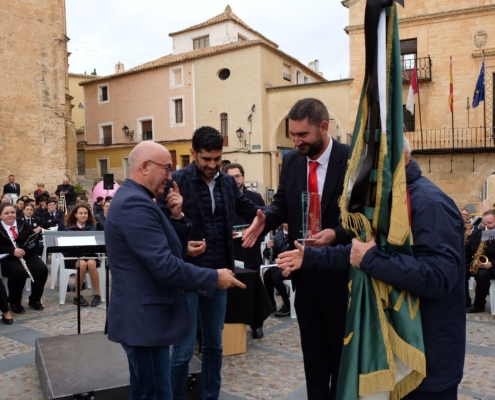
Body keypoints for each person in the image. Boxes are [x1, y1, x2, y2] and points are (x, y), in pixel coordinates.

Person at [277, 140, 466, 399]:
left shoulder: (429, 203)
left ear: (392, 163)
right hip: (397, 352)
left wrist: (371, 260)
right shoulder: (390, 201)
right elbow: (359, 252)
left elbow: (439, 276)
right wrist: (309, 257)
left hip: (428, 359)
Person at [105, 141, 245, 400]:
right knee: (156, 394)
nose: (170, 177)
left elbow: (155, 251)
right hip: (145, 322)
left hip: (145, 321)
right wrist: (214, 277)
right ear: (145, 166)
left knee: (145, 393)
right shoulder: (135, 203)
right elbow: (165, 267)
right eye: (167, 169)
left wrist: (178, 221)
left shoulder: (138, 199)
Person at [242, 98, 352, 400]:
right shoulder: (291, 160)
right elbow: (282, 205)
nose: (296, 141)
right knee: (313, 356)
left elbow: (366, 219)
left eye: (302, 135)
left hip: (341, 275)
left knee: (342, 357)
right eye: (292, 135)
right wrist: (264, 219)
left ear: (324, 127)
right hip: (304, 274)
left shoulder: (352, 159)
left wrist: (335, 233)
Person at [158, 126, 260, 400]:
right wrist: (181, 245)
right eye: (206, 159)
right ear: (193, 153)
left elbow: (251, 210)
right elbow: (157, 226)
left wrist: (271, 214)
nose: (212, 165)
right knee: (182, 350)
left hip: (221, 276)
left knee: (215, 345)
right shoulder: (175, 181)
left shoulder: (227, 182)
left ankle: (211, 396)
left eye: (217, 159)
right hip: (187, 276)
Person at [225, 162, 267, 337]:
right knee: (232, 290)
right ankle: (232, 330)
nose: (235, 180)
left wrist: (252, 234)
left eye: (238, 176)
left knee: (254, 288)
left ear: (243, 177)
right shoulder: (222, 197)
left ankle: (257, 325)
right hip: (230, 251)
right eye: (231, 177)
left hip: (250, 250)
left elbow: (265, 222)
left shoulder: (256, 198)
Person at [0, 203, 48, 313]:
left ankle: (34, 299)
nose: (10, 215)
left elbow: (33, 240)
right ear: (0, 215)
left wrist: (24, 249)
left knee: (42, 269)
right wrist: (12, 251)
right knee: (19, 272)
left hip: (26, 254)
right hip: (8, 257)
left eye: (12, 212)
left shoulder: (23, 224)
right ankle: (15, 302)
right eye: (6, 213)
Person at [62, 204, 102, 306]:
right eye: (80, 213)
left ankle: (98, 295)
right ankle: (77, 296)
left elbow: (98, 244)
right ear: (75, 215)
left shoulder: (93, 228)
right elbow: (65, 249)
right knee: (82, 264)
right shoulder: (68, 229)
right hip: (74, 257)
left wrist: (96, 247)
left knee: (91, 264)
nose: (83, 215)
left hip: (90, 255)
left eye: (85, 213)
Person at [466, 209, 495, 313]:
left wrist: (491, 263)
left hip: (492, 266)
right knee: (461, 271)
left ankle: (479, 304)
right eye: (484, 222)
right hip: (480, 263)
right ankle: (465, 302)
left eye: (490, 223)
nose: (486, 225)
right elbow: (468, 248)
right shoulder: (478, 232)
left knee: (482, 275)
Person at [263, 223, 291, 317]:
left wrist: (290, 266)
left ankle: (287, 304)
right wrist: (268, 247)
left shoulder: (296, 234)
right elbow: (270, 256)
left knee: (275, 277)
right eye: (286, 223)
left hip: (292, 266)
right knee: (267, 274)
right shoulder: (277, 236)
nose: (288, 224)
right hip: (280, 265)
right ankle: (271, 304)